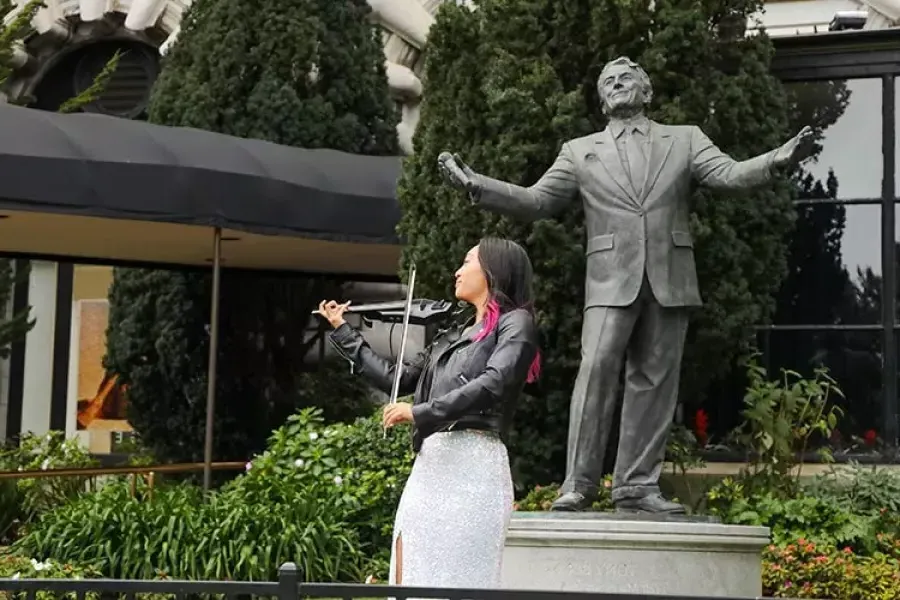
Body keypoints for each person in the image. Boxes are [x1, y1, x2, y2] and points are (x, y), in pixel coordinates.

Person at [438, 56, 814, 514]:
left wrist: (778, 158)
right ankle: (577, 484)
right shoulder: (580, 151)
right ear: (602, 98)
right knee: (595, 371)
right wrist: (479, 185)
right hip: (609, 280)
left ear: (646, 91)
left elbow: (729, 175)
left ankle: (637, 487)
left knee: (654, 381)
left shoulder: (685, 139)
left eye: (626, 79)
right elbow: (537, 200)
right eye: (609, 82)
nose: (617, 85)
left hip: (669, 278)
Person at [316, 237, 540, 592]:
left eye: (467, 262)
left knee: (456, 576)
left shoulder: (516, 324)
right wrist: (344, 331)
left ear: (493, 270)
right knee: (411, 567)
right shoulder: (451, 335)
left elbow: (494, 382)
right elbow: (396, 378)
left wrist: (420, 413)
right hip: (432, 465)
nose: (457, 271)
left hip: (474, 464)